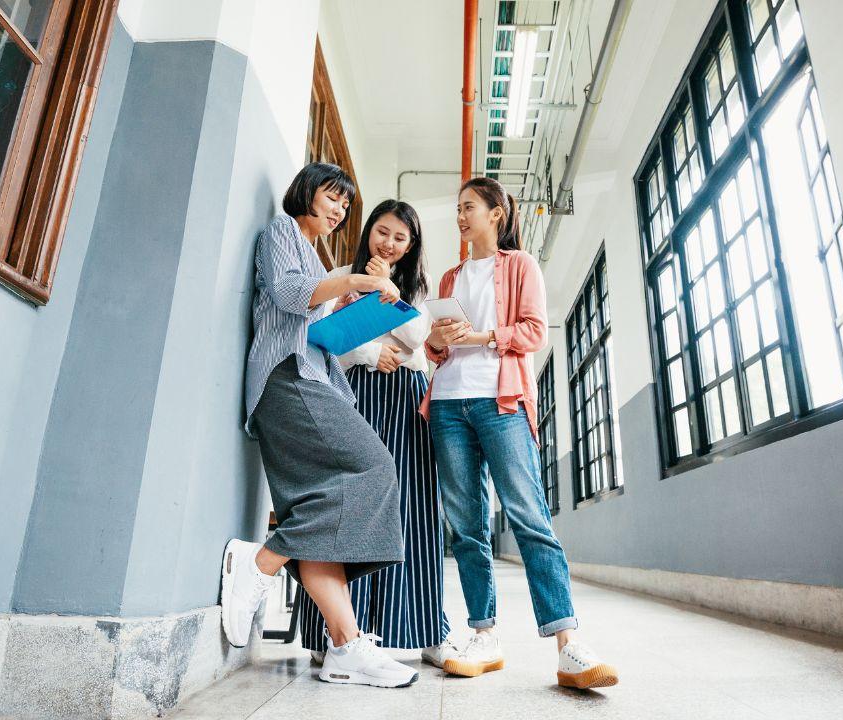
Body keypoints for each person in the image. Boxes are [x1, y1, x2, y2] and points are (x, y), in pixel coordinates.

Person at [221, 163, 417, 689]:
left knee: (320, 516)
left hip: (311, 380)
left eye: (345, 206)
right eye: (333, 198)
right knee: (374, 468)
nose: (339, 211)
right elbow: (288, 296)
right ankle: (260, 562)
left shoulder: (316, 256)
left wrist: (365, 307)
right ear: (306, 191)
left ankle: (345, 647)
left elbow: (320, 330)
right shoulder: (282, 232)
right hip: (287, 379)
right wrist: (358, 280)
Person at [420, 176, 619, 690]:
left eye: (470, 207)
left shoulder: (520, 266)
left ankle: (568, 644)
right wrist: (438, 342)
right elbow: (436, 353)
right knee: (465, 526)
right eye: (458, 209)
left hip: (502, 401)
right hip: (447, 405)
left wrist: (482, 336)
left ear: (496, 214)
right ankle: (484, 636)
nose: (461, 217)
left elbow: (532, 331)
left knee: (530, 517)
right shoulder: (448, 278)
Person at [295, 199, 459, 670]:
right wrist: (369, 352)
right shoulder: (342, 274)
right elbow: (320, 339)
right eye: (382, 232)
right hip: (351, 395)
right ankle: (339, 632)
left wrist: (386, 287)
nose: (388, 243)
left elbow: (417, 340)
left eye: (399, 238)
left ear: (411, 246)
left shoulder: (417, 287)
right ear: (369, 230)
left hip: (406, 402)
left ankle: (424, 628)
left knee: (412, 507)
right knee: (348, 505)